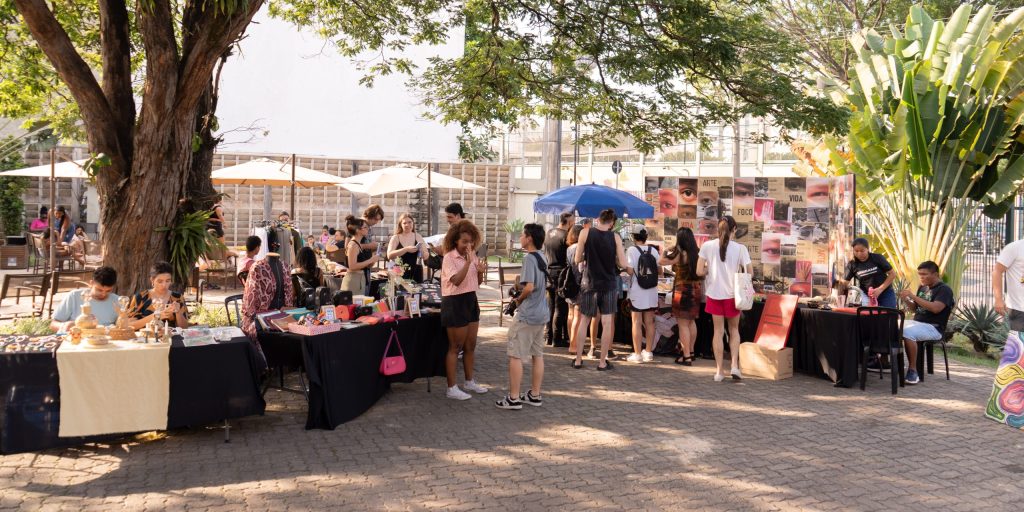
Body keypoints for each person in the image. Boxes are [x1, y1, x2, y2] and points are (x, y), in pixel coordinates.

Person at [496, 223, 548, 409]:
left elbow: (529, 287)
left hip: (527, 314)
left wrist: (518, 301)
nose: (520, 238)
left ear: (529, 238)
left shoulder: (529, 259)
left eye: (523, 235)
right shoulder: (542, 257)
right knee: (537, 355)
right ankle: (535, 394)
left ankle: (513, 398)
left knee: (515, 355)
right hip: (541, 313)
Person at [573, 208, 629, 371]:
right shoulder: (615, 237)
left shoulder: (585, 233)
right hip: (609, 284)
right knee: (606, 322)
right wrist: (616, 261)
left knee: (585, 320)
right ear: (612, 223)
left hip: (589, 283)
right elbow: (623, 264)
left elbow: (577, 259)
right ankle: (602, 362)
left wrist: (588, 256)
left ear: (598, 219)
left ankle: (578, 360)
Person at [697, 216, 751, 382]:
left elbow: (699, 271)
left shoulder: (707, 246)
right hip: (733, 295)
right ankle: (734, 366)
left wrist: (710, 271)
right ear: (734, 229)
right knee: (734, 331)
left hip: (714, 294)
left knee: (718, 332)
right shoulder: (741, 249)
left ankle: (719, 371)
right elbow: (750, 273)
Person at [440, 219, 489, 400]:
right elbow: (456, 281)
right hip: (454, 302)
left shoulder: (473, 254)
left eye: (471, 242)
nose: (468, 245)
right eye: (464, 242)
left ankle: (469, 381)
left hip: (470, 299)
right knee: (455, 347)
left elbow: (477, 282)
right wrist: (468, 263)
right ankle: (451, 387)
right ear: (455, 241)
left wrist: (480, 271)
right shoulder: (449, 258)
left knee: (471, 345)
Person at [898, 261, 955, 385]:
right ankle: (885, 362)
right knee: (891, 324)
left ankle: (913, 370)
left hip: (934, 328)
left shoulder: (944, 290)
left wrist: (913, 296)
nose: (921, 277)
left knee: (907, 332)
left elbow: (936, 308)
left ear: (935, 274)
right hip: (918, 324)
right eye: (920, 274)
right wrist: (906, 300)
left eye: (924, 274)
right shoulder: (922, 287)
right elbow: (915, 309)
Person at [241, 230, 295, 343]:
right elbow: (251, 298)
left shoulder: (285, 267)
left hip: (283, 318)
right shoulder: (258, 267)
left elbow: (289, 296)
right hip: (263, 320)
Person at [660, 227, 703, 365]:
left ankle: (686, 357)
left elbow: (662, 261)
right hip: (696, 289)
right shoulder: (697, 252)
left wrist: (666, 250)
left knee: (683, 324)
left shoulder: (680, 253)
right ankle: (691, 352)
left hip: (682, 290)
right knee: (691, 322)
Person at [625, 226, 660, 363]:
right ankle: (649, 352)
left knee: (636, 322)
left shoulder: (632, 250)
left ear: (634, 237)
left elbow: (629, 271)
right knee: (650, 322)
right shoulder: (654, 250)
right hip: (651, 290)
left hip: (637, 290)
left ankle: (637, 354)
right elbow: (660, 271)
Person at [50, 266, 120, 332]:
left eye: (108, 291)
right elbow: (53, 324)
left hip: (107, 341)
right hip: (78, 339)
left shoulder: (117, 301)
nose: (103, 294)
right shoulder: (74, 296)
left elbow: (122, 326)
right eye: (99, 290)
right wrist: (64, 326)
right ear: (91, 283)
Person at [543, 212, 573, 347]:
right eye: (572, 221)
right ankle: (556, 338)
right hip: (561, 274)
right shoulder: (566, 236)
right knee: (560, 307)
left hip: (549, 272)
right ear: (568, 222)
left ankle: (548, 336)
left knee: (550, 305)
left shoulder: (549, 233)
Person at [130, 261, 189, 329]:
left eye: (167, 281)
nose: (164, 285)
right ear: (152, 280)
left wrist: (178, 313)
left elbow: (185, 328)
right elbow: (130, 326)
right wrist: (156, 316)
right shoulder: (140, 298)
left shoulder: (177, 298)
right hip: (145, 338)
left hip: (171, 338)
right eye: (160, 281)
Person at [841, 238, 897, 308]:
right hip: (867, 296)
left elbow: (892, 274)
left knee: (889, 315)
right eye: (856, 251)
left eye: (862, 251)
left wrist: (880, 289)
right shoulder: (852, 265)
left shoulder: (877, 258)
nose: (859, 253)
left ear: (867, 249)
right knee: (869, 317)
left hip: (885, 293)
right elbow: (844, 283)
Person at [340, 215, 379, 294]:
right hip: (353, 281)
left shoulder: (357, 244)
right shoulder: (353, 245)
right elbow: (352, 266)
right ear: (358, 230)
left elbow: (364, 264)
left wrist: (373, 258)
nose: (367, 229)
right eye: (365, 227)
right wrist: (370, 260)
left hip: (360, 279)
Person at [387, 213, 427, 283]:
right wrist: (406, 249)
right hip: (399, 272)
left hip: (416, 271)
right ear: (400, 225)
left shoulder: (418, 236)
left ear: (413, 223)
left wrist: (423, 253)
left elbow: (426, 255)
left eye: (409, 222)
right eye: (404, 223)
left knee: (416, 292)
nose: (407, 225)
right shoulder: (396, 237)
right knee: (400, 293)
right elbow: (389, 255)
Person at [994, 238, 1024, 331]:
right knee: (1017, 345)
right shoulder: (1015, 247)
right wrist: (998, 299)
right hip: (1018, 309)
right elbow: (997, 272)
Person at [564, 225, 584, 354]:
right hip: (579, 281)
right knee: (578, 314)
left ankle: (571, 341)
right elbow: (582, 267)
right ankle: (573, 344)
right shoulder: (580, 248)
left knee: (570, 314)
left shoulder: (569, 248)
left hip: (569, 281)